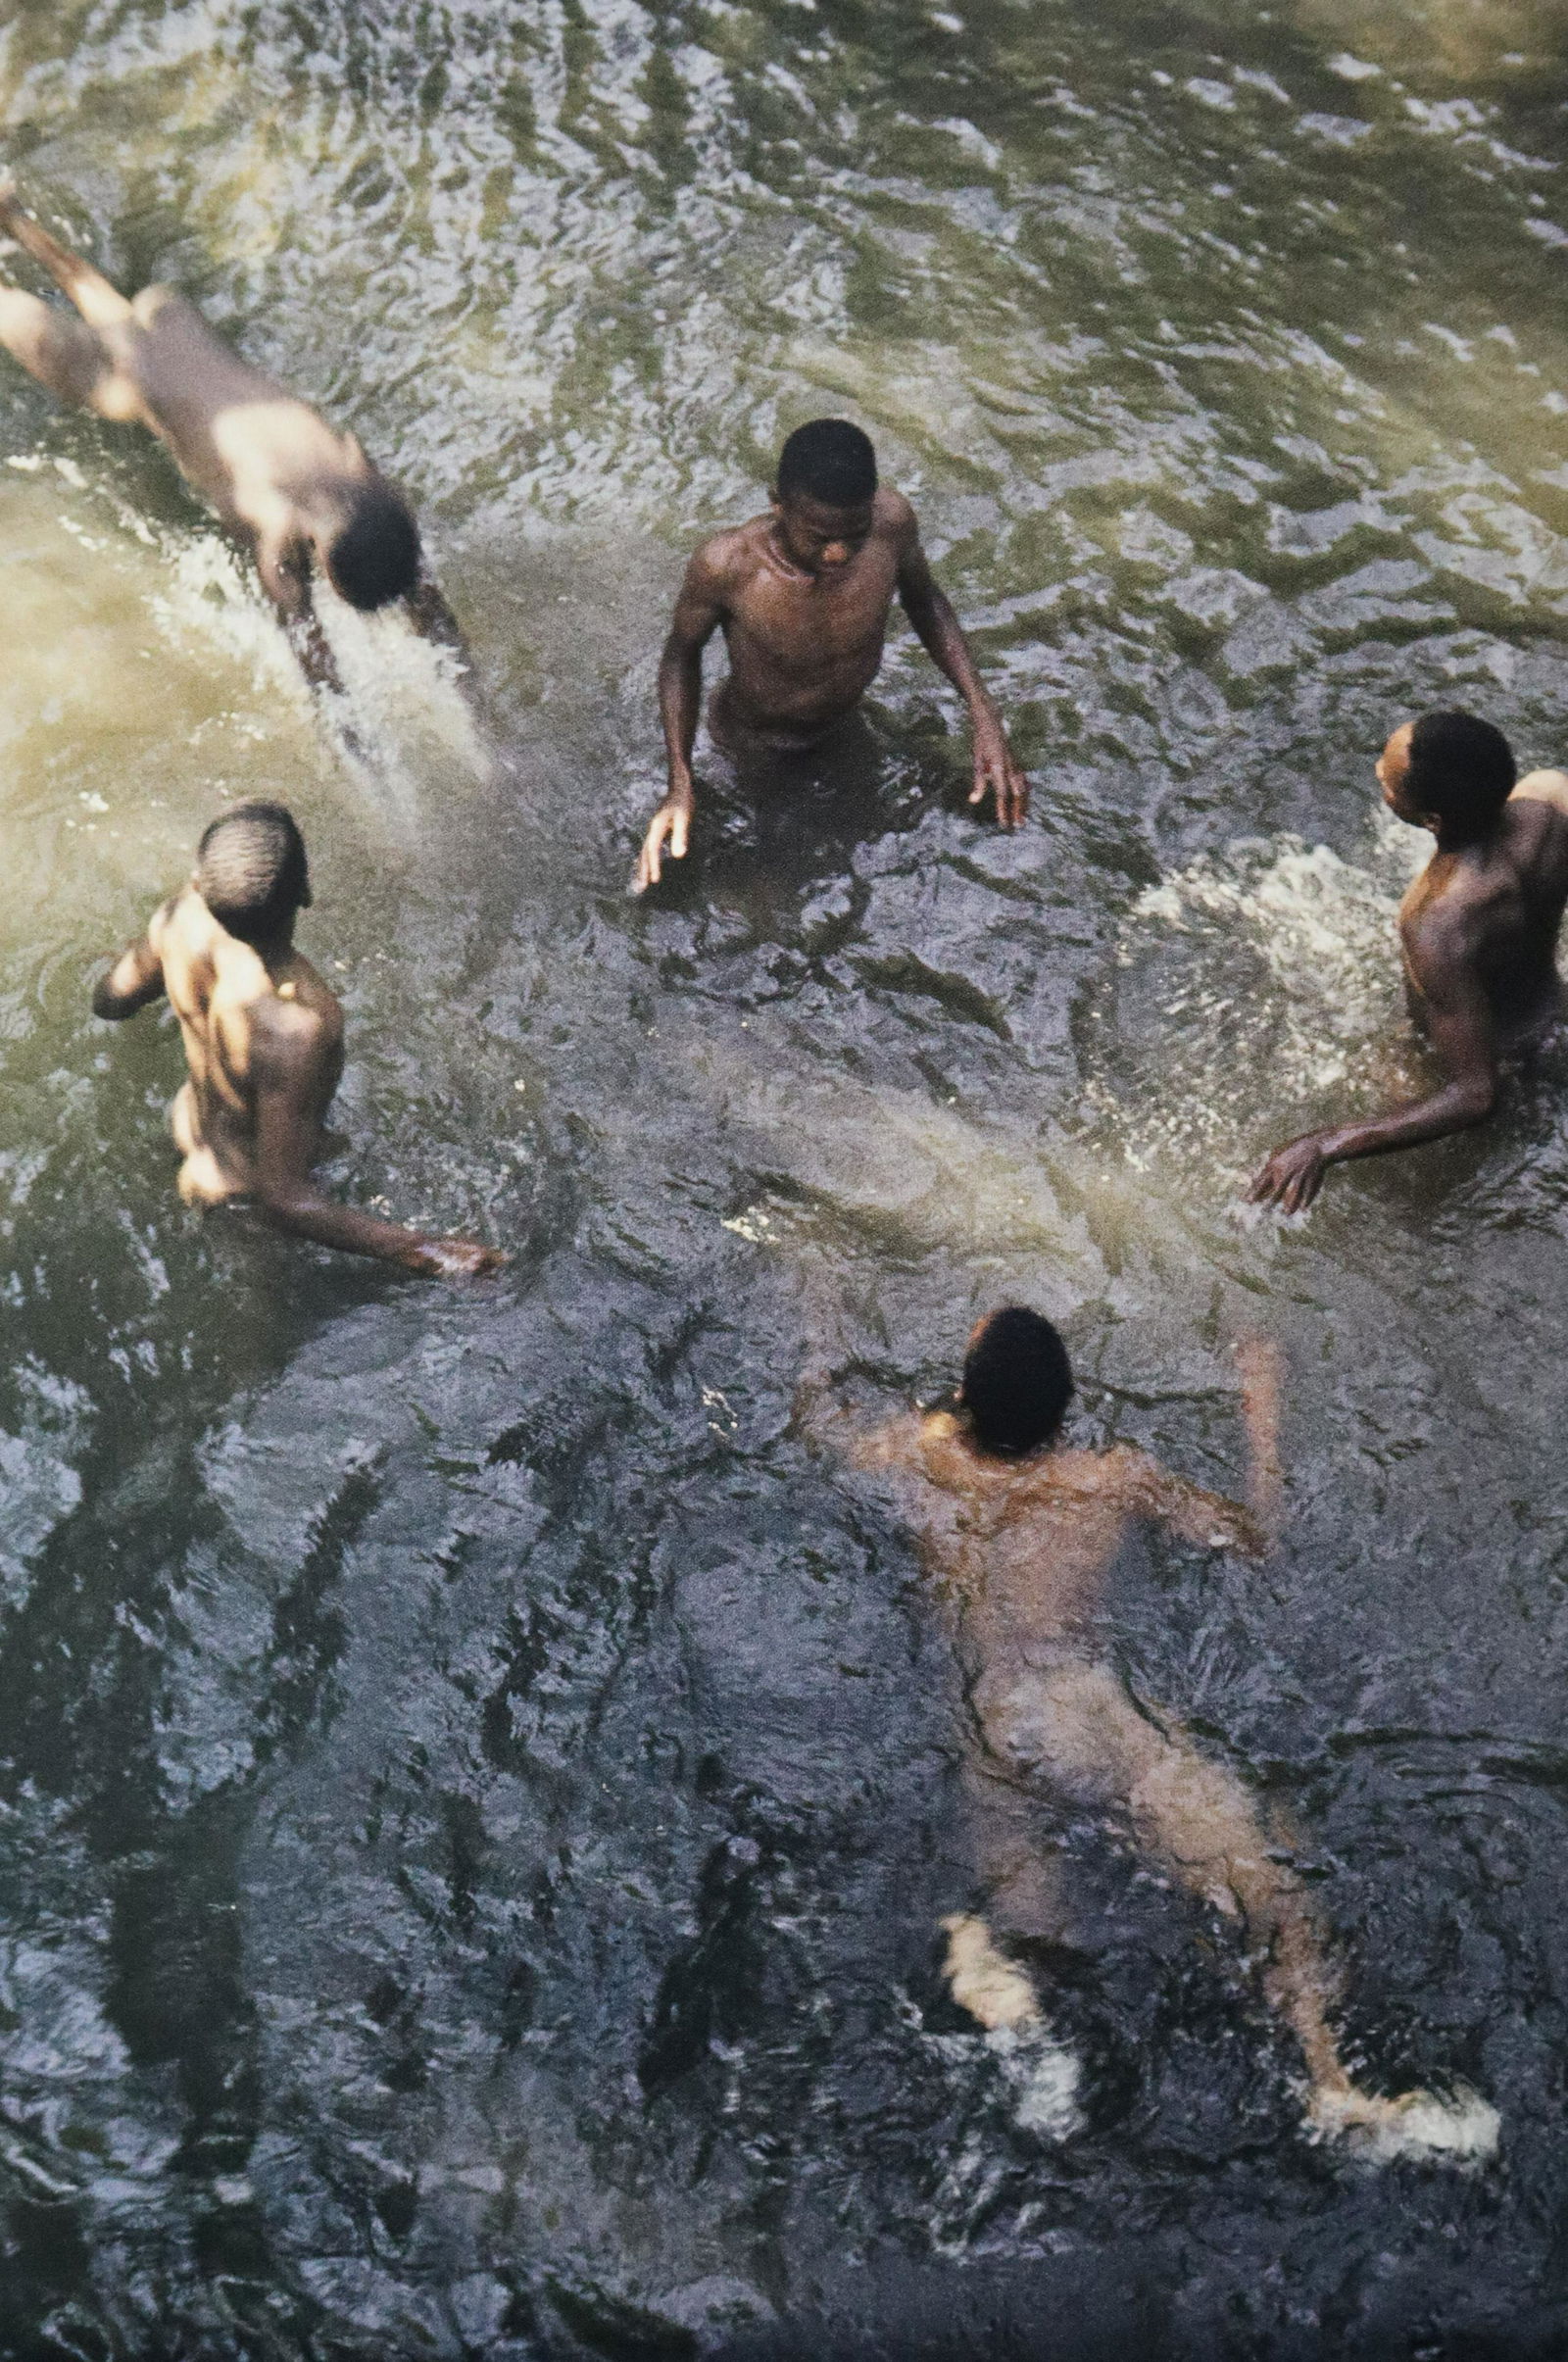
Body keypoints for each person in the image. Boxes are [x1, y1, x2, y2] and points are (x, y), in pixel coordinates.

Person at [806, 1306, 1496, 2157]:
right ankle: (1330, 2079)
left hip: (989, 1717)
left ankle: (1012, 2014)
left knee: (1027, 1926)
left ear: (969, 1399)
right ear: (1066, 1407)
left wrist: (818, 1310)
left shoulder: (918, 1457)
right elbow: (1251, 1537)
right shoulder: (1109, 1477)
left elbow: (818, 1427)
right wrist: (1261, 1400)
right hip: (1084, 1710)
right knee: (1262, 1875)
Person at [0, 184, 465, 698]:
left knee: (110, 314)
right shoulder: (274, 532)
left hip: (171, 320)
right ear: (326, 568)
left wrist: (482, 713)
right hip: (133, 381)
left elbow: (418, 590)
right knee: (58, 343)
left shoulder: (355, 465)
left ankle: (12, 215)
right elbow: (322, 679)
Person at [92, 803, 504, 1277]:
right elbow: (285, 1201)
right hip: (240, 1205)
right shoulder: (297, 1027)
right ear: (305, 892)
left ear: (201, 884)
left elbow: (111, 1000)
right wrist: (424, 1250)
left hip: (188, 1128)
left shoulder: (176, 918)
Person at [633, 418, 1030, 891]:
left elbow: (926, 601)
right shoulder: (728, 567)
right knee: (739, 892)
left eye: (853, 534)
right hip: (753, 750)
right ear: (777, 505)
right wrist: (680, 779)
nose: (839, 554)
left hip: (843, 729)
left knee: (964, 830)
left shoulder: (892, 525)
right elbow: (681, 656)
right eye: (819, 538)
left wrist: (984, 714)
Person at [1250, 711, 1568, 1212]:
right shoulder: (1551, 800)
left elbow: (1474, 1094)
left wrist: (1326, 1144)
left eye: (1389, 777)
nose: (1378, 770)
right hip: (1551, 1018)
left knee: (1398, 1203)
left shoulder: (1438, 923)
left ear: (1433, 820)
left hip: (1491, 1064)